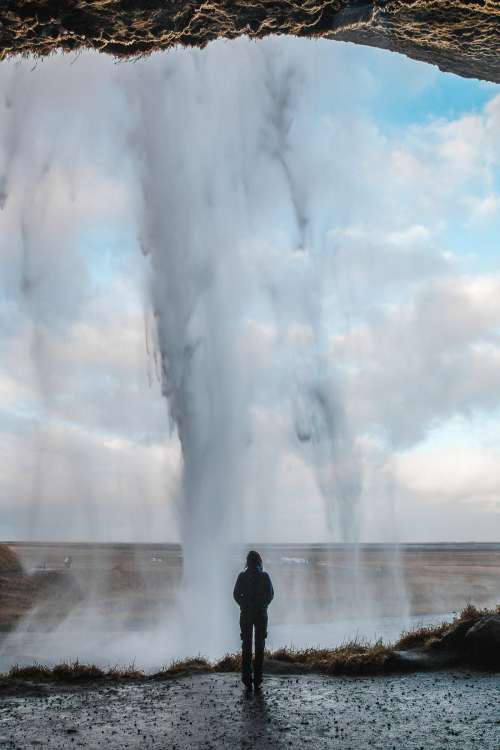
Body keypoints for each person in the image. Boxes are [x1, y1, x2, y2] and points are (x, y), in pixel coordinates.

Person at [233, 550, 274, 689]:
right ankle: (258, 678)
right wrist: (263, 605)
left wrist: (244, 605)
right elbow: (270, 595)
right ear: (259, 562)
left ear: (247, 562)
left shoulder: (242, 576)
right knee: (260, 645)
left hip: (245, 615)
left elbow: (236, 594)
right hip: (261, 615)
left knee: (246, 645)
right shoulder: (264, 576)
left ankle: (246, 678)